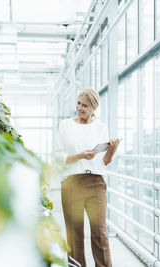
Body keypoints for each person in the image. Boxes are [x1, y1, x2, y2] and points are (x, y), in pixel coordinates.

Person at [54, 88, 119, 267]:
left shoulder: (101, 127)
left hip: (96, 183)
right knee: (74, 236)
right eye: (79, 103)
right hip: (71, 183)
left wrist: (112, 149)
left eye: (85, 105)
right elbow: (59, 157)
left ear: (93, 108)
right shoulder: (66, 125)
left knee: (100, 234)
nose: (80, 108)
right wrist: (80, 156)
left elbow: (104, 161)